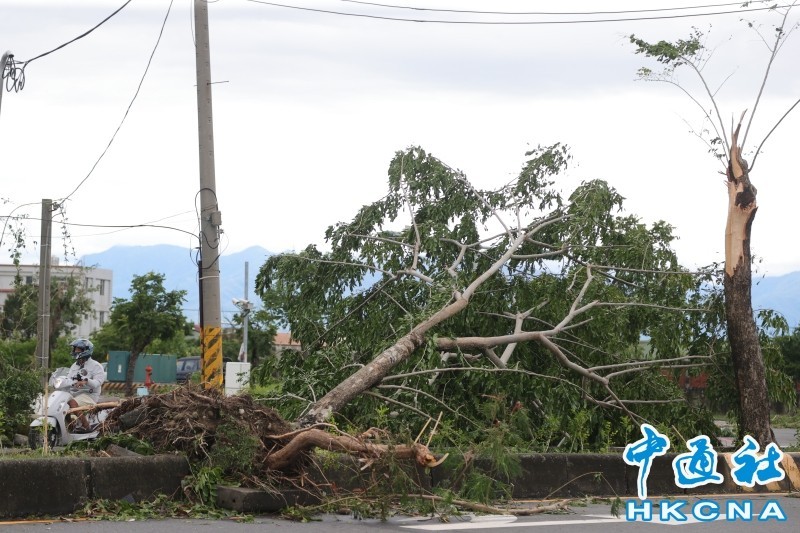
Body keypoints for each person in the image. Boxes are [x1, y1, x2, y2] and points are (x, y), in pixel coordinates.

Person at [66, 338, 105, 432]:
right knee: (62, 403)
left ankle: (86, 426)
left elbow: (98, 382)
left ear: (86, 350)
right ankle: (71, 427)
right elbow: (68, 379)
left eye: (78, 349)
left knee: (71, 402)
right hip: (75, 394)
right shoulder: (74, 366)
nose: (76, 351)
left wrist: (86, 381)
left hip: (90, 395)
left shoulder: (96, 366)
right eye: (75, 349)